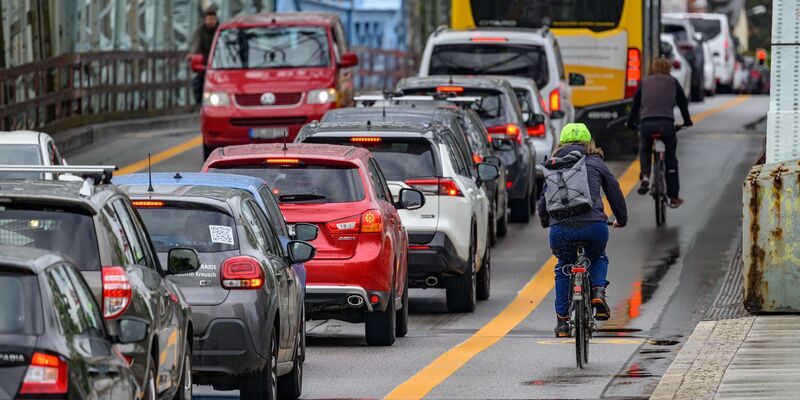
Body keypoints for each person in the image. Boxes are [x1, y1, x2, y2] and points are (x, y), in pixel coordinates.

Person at [538, 123, 628, 338]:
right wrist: (621, 219)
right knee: (598, 257)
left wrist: (546, 222)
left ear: (562, 142)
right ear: (589, 143)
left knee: (563, 267)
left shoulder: (553, 165)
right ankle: (597, 291)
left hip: (561, 229)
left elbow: (543, 202)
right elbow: (614, 191)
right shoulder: (596, 162)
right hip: (595, 227)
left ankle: (561, 323)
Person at [626, 57, 693, 208]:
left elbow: (635, 106)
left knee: (644, 149)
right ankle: (674, 197)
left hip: (647, 124)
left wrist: (631, 123)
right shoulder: (673, 82)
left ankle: (644, 176)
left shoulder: (644, 82)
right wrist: (687, 121)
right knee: (671, 159)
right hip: (667, 125)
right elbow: (683, 103)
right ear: (668, 69)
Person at [189, 4, 220, 105]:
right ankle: (199, 105)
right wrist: (193, 55)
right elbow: (195, 45)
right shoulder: (200, 31)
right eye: (208, 19)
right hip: (205, 64)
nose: (210, 22)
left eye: (212, 19)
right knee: (198, 82)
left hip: (221, 63)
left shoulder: (220, 31)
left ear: (216, 19)